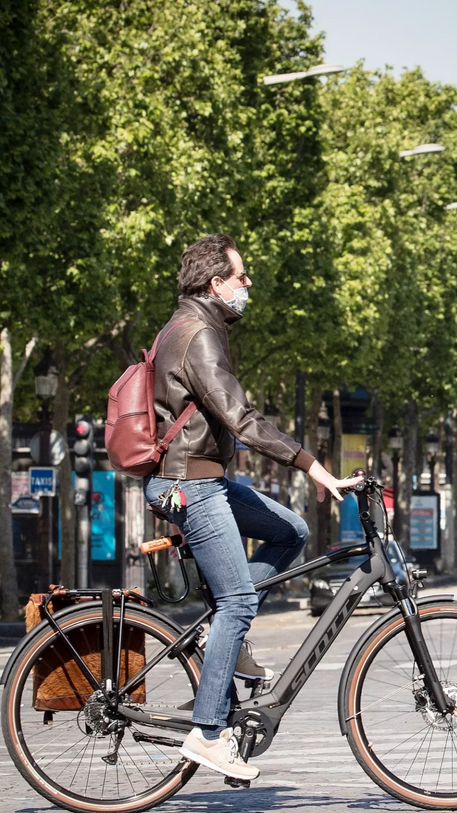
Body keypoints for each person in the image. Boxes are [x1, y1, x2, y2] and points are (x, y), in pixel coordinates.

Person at [144, 233, 360, 781]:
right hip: (189, 485)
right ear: (215, 284)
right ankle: (208, 732)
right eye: (241, 277)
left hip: (204, 478)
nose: (248, 285)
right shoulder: (197, 336)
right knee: (240, 598)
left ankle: (227, 636)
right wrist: (310, 463)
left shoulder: (195, 326)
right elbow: (241, 418)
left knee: (290, 531)